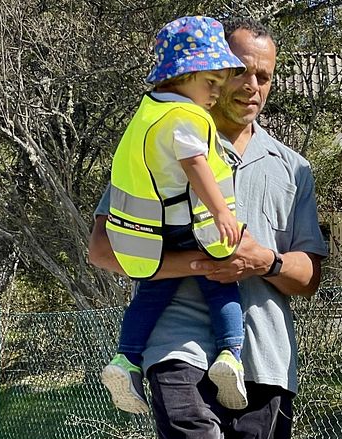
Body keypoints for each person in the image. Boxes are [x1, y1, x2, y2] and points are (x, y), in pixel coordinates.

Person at [88, 17, 327, 439]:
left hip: (262, 356)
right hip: (176, 343)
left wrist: (261, 259)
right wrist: (200, 264)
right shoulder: (159, 140)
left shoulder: (294, 169)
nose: (251, 87)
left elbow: (308, 277)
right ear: (210, 71)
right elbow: (103, 251)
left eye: (264, 76)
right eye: (239, 71)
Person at [100, 16, 250, 415]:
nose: (216, 94)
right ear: (184, 75)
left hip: (151, 229)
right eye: (211, 83)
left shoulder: (148, 113)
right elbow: (195, 163)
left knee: (152, 291)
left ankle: (125, 359)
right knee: (221, 282)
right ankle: (230, 354)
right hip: (190, 224)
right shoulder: (184, 115)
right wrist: (221, 211)